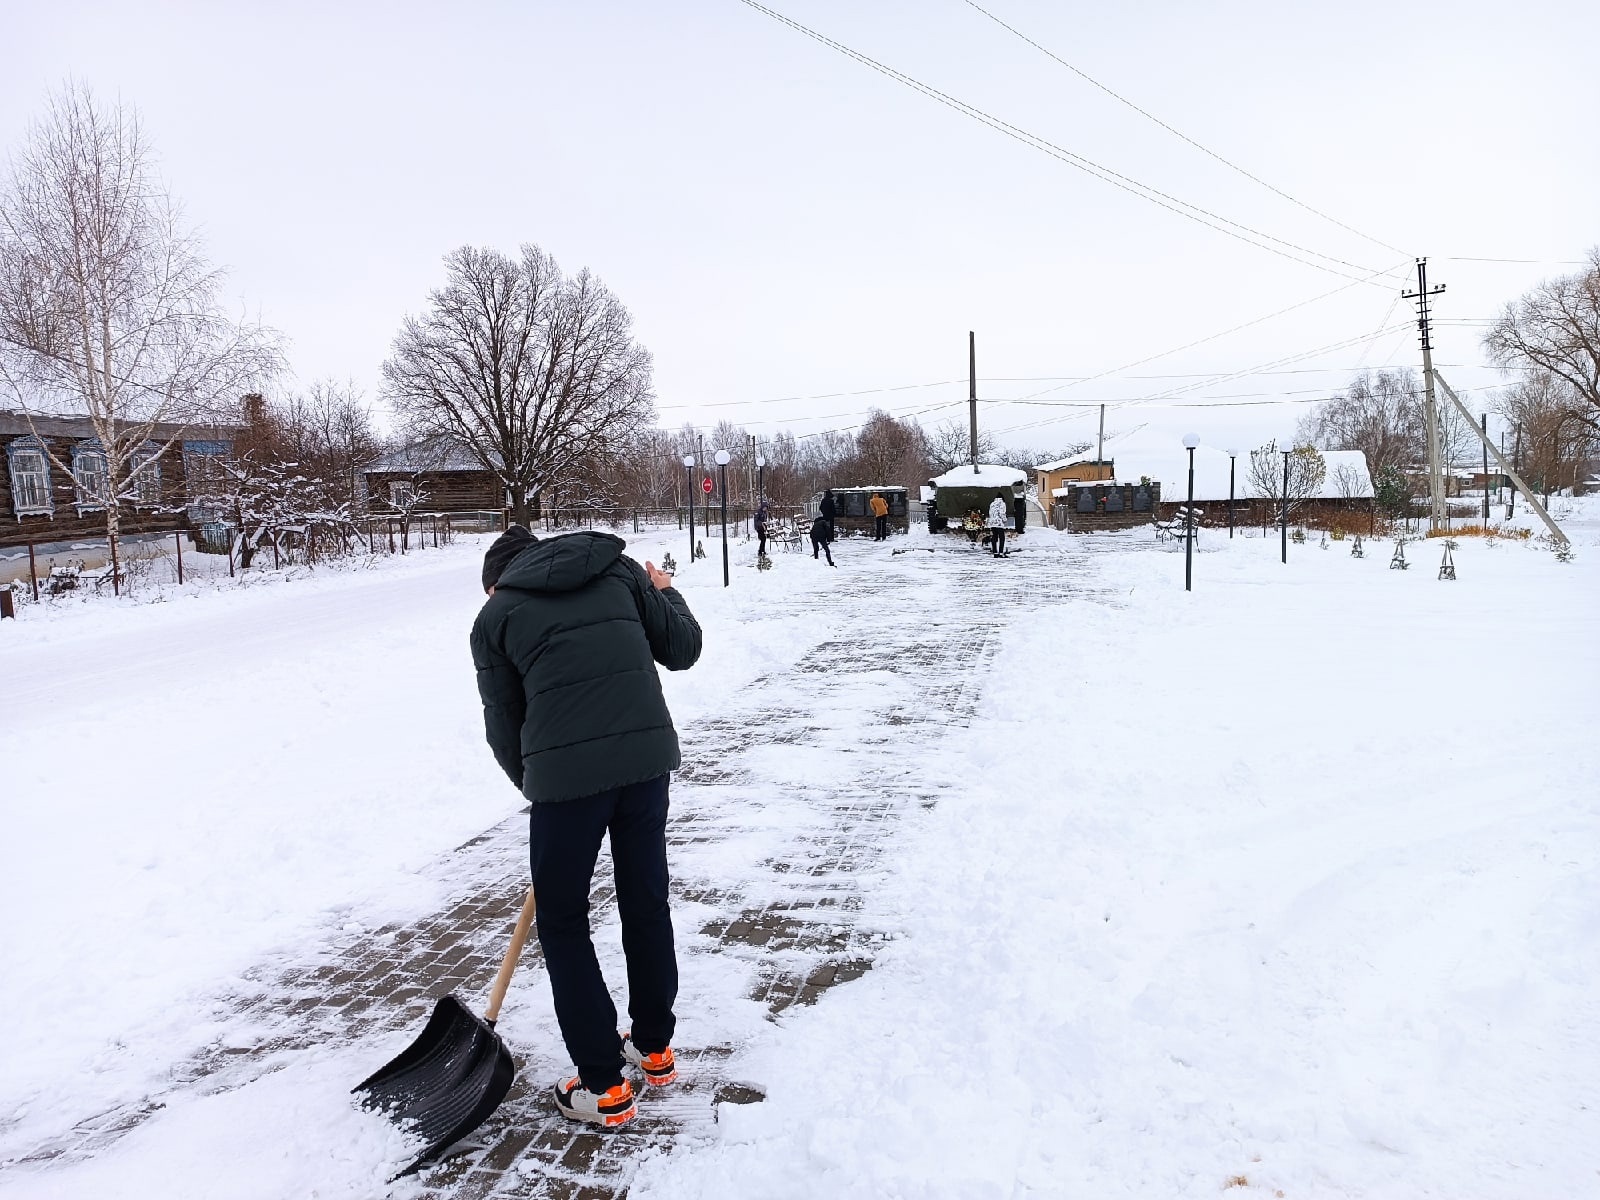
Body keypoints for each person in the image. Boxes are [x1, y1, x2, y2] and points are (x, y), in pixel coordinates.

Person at [472, 525, 702, 1129]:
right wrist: (667, 591)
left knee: (565, 921)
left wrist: (541, 786)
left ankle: (602, 1084)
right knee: (646, 901)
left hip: (565, 786)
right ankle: (653, 1048)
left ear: (498, 580)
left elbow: (505, 724)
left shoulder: (494, 617)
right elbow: (682, 649)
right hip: (647, 768)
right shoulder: (620, 573)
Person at [988, 490, 1010, 557]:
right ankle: (1001, 552)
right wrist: (1005, 520)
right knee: (1001, 538)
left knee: (994, 537)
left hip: (992, 523)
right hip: (999, 523)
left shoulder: (992, 504)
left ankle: (995, 552)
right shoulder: (1002, 504)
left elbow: (990, 513)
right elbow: (1002, 513)